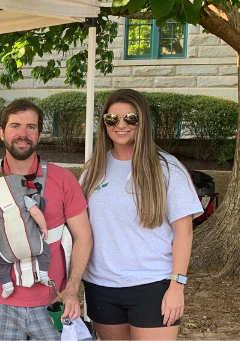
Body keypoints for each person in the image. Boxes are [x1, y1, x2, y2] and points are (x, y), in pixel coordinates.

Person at [0, 99, 93, 340]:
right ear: (1, 133)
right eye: (15, 126)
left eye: (31, 127)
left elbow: (83, 236)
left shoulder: (63, 179)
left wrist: (72, 289)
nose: (23, 134)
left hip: (53, 301)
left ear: (39, 134)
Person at [81, 89, 202, 340]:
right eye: (112, 119)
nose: (121, 125)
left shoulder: (168, 169)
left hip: (152, 284)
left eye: (130, 118)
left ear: (143, 121)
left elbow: (184, 231)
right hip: (101, 286)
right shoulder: (93, 170)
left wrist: (177, 286)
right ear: (104, 123)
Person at [0, 171, 51, 299]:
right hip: (32, 245)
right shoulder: (23, 199)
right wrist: (43, 227)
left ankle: (7, 286)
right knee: (44, 250)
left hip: (7, 252)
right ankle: (43, 274)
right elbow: (36, 213)